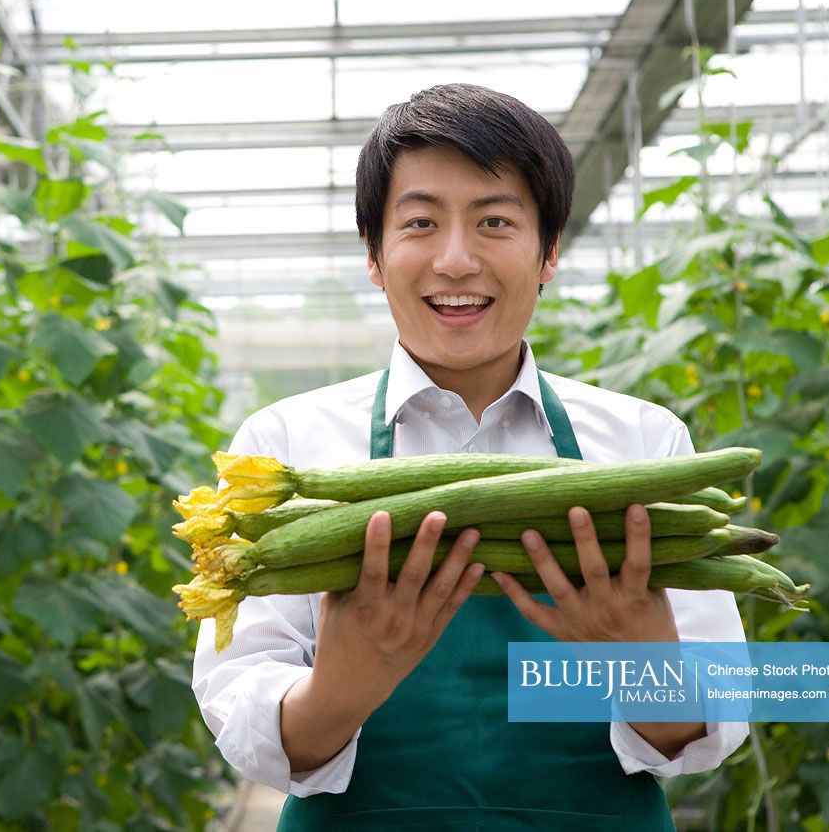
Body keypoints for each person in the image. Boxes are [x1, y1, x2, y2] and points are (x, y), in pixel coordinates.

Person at [191, 83, 749, 830]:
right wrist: (343, 685)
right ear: (374, 254)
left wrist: (639, 654)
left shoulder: (643, 443)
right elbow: (246, 721)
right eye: (420, 222)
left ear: (548, 251)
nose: (455, 260)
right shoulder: (286, 443)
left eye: (493, 221)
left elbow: (706, 734)